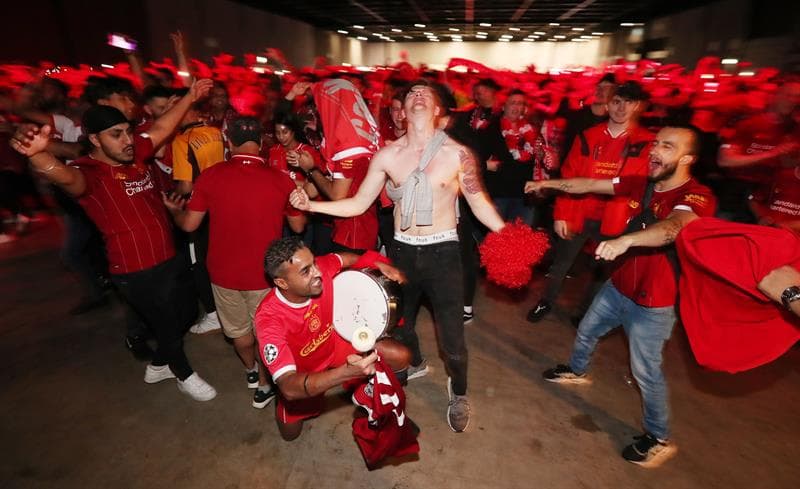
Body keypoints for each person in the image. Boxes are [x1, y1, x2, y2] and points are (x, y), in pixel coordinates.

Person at [290, 79, 506, 432]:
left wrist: (509, 237)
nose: (417, 95)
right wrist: (310, 205)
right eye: (411, 94)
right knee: (396, 329)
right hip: (402, 252)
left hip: (443, 253)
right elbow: (359, 203)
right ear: (402, 112)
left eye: (426, 93)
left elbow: (479, 203)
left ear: (437, 109)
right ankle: (413, 363)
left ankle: (459, 391)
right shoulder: (387, 155)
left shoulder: (457, 154)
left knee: (453, 341)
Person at [11, 80, 219, 401]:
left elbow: (161, 127)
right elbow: (64, 177)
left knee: (186, 312)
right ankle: (184, 374)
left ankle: (158, 365)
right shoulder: (89, 172)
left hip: (167, 255)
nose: (127, 140)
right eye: (116, 134)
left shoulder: (135, 151)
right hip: (134, 269)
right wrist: (38, 155)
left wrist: (191, 95)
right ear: (95, 139)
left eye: (127, 132)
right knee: (165, 324)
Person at [525, 125, 716, 467]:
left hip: (655, 303)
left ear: (687, 159)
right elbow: (588, 184)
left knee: (645, 371)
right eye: (655, 143)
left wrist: (625, 241)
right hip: (619, 285)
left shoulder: (697, 196)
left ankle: (658, 437)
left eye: (667, 146)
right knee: (586, 331)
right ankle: (577, 371)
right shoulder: (642, 182)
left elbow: (674, 227)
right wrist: (548, 185)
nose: (654, 150)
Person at [164, 117, 306, 409]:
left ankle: (250, 370)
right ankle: (264, 386)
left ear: (228, 142)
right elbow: (298, 226)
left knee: (239, 333)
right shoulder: (281, 179)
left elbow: (189, 225)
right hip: (265, 275)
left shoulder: (210, 176)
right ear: (262, 143)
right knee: (264, 333)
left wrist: (175, 211)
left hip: (223, 273)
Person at [255, 237, 410, 441]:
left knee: (400, 355)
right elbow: (289, 387)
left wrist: (377, 263)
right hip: (304, 371)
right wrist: (344, 373)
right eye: (306, 271)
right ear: (282, 282)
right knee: (290, 435)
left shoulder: (321, 268)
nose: (317, 272)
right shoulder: (269, 319)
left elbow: (344, 258)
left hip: (334, 342)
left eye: (313, 263)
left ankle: (374, 394)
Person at [527, 81, 654, 323]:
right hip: (580, 211)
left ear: (637, 106)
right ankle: (546, 301)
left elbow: (638, 185)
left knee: (601, 270)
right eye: (616, 101)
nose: (621, 108)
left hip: (617, 218)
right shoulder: (588, 136)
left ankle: (584, 313)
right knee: (561, 264)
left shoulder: (646, 142)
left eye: (628, 102)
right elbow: (569, 174)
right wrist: (561, 215)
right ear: (607, 104)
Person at [171, 92, 226, 334]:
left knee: (200, 262)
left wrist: (170, 197)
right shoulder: (216, 132)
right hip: (223, 203)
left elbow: (185, 187)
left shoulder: (182, 141)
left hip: (200, 210)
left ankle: (213, 314)